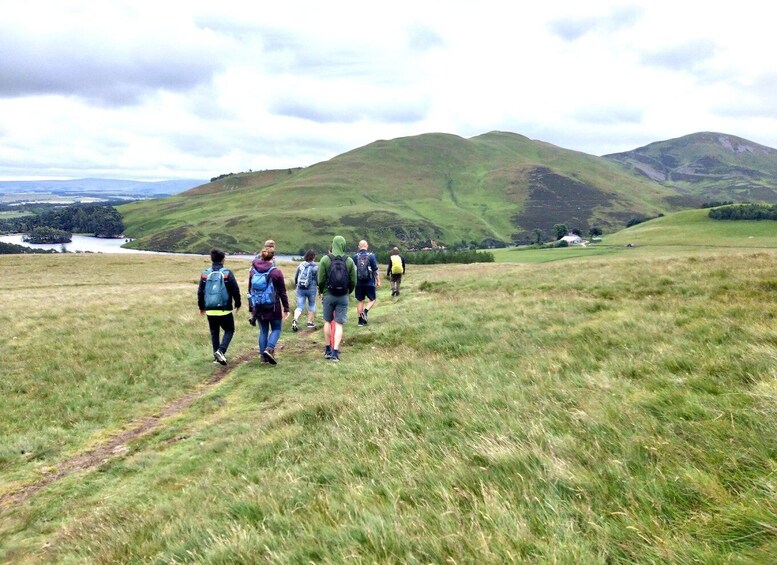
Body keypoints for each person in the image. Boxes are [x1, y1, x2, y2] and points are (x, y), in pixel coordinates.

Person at [198, 248, 241, 365]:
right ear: (223, 259)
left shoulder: (205, 273)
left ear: (211, 259)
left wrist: (201, 307)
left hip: (210, 309)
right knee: (229, 330)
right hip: (224, 309)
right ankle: (221, 351)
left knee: (214, 332)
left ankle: (216, 358)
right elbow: (235, 289)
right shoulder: (227, 273)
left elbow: (200, 292)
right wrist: (238, 303)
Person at [247, 244, 290, 365]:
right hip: (273, 306)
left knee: (263, 331)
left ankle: (263, 358)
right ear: (272, 258)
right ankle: (269, 349)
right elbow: (282, 292)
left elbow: (249, 290)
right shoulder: (276, 272)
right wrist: (286, 308)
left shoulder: (253, 271)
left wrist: (252, 308)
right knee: (276, 328)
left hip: (258, 306)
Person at [317, 235, 356, 362]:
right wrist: (348, 292)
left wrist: (321, 291)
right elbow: (353, 281)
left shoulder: (325, 259)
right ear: (343, 245)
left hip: (328, 295)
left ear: (333, 245)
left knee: (327, 321)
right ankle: (335, 352)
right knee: (339, 324)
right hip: (343, 296)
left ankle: (327, 349)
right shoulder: (349, 261)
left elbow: (321, 279)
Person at [353, 239, 380, 326]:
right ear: (367, 246)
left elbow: (353, 271)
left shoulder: (355, 257)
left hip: (359, 283)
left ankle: (360, 321)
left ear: (359, 247)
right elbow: (375, 269)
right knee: (372, 299)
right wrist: (378, 280)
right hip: (369, 282)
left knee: (360, 301)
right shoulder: (371, 256)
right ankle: (365, 311)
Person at [292, 249, 319, 331]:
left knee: (300, 306)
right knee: (311, 304)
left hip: (300, 288)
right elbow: (318, 279)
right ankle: (310, 322)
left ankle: (295, 319)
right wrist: (319, 288)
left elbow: (296, 277)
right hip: (311, 289)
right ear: (313, 257)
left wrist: (296, 285)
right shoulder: (315, 267)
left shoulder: (301, 265)